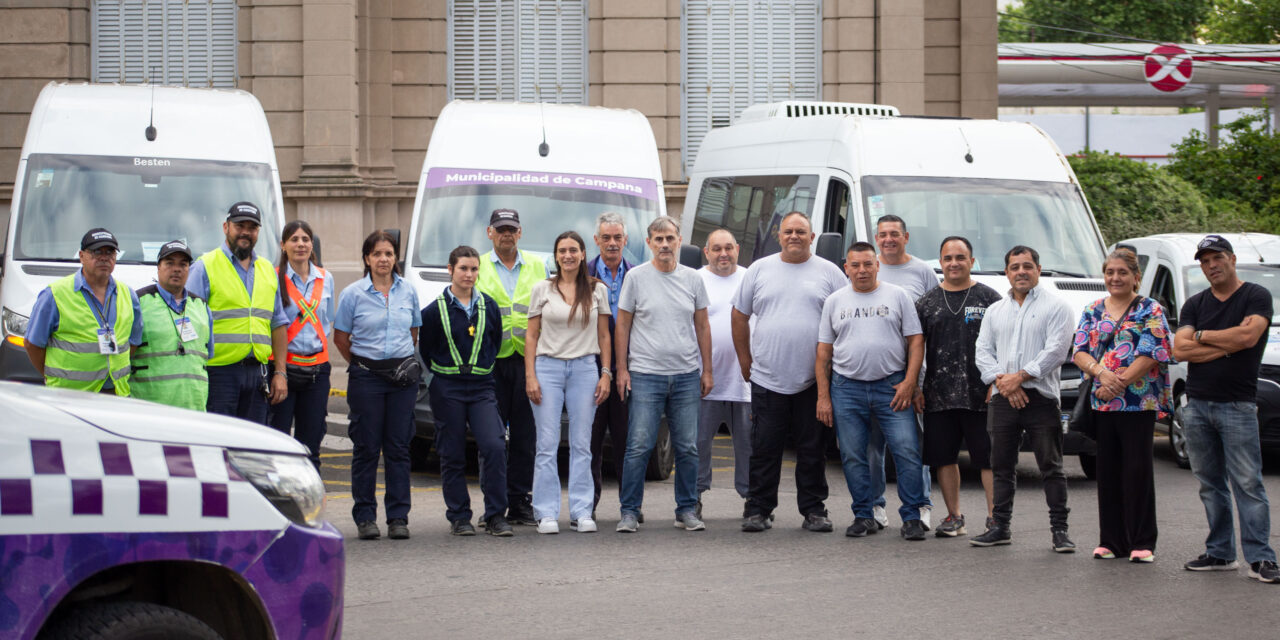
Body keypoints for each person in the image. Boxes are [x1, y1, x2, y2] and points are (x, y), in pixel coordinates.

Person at [1171, 234, 1280, 582]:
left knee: (1248, 483)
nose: (1211, 265)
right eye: (1204, 261)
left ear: (1231, 259)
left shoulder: (1256, 296)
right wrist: (1227, 342)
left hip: (1238, 405)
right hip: (1197, 404)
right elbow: (1179, 350)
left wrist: (1202, 336)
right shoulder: (1195, 303)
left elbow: (1249, 338)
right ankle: (1220, 553)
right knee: (1210, 484)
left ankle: (1261, 559)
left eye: (1217, 258)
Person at [733, 212, 848, 533]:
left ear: (812, 237)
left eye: (801, 232)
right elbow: (739, 315)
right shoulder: (759, 269)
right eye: (788, 231)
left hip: (814, 381)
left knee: (812, 450)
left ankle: (814, 510)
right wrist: (745, 360)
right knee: (765, 448)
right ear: (779, 236)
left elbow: (845, 318)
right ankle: (758, 508)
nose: (794, 236)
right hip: (767, 378)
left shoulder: (830, 273)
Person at [817, 242, 928, 540]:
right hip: (847, 389)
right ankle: (863, 515)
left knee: (906, 450)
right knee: (854, 455)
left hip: (891, 387)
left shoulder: (898, 296)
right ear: (846, 269)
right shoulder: (835, 301)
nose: (862, 270)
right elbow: (824, 354)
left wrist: (910, 382)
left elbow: (916, 341)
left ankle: (912, 517)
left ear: (877, 265)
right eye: (855, 265)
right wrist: (823, 396)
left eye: (868, 264)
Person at [972, 245, 1076, 552]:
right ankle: (1000, 527)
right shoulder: (995, 311)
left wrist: (1020, 376)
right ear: (1006, 272)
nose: (1021, 271)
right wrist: (1004, 382)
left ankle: (1060, 531)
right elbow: (982, 352)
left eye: (1027, 266)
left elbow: (1056, 352)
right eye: (1015, 267)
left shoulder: (1057, 307)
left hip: (1041, 399)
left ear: (1038, 270)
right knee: (1001, 465)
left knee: (1051, 466)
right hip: (1003, 398)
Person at [1072, 247, 1173, 563]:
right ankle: (1111, 540)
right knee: (1108, 470)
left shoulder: (1150, 309)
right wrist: (1102, 374)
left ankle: (1142, 541)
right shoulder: (1092, 310)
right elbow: (1080, 351)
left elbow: (1152, 351)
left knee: (1137, 470)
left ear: (1136, 277)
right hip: (1102, 404)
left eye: (1122, 273)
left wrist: (1119, 382)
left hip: (1137, 402)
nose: (1115, 278)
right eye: (1110, 272)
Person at [614, 216, 712, 533]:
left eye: (670, 238)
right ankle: (630, 511)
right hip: (645, 375)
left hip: (685, 375)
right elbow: (623, 326)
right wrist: (621, 370)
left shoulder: (694, 279)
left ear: (679, 240)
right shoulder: (636, 278)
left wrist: (707, 369)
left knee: (687, 447)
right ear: (649, 243)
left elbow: (702, 326)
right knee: (639, 446)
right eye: (658, 239)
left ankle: (685, 509)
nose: (665, 245)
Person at [334, 230, 421, 541]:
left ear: (395, 258)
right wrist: (363, 364)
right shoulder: (353, 294)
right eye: (377, 254)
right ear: (367, 259)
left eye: (388, 253)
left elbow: (413, 332)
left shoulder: (408, 292)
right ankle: (365, 517)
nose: (383, 259)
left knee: (398, 448)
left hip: (401, 381)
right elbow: (341, 339)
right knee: (367, 448)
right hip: (366, 378)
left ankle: (398, 517)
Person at [421, 246, 512, 537]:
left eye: (474, 269)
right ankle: (459, 516)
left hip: (482, 386)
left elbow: (494, 343)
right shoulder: (433, 311)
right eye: (463, 269)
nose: (469, 275)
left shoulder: (489, 306)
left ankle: (496, 515)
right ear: (450, 270)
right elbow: (427, 350)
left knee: (495, 445)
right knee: (452, 452)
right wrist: (439, 380)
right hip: (448, 388)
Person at [526, 232, 612, 534]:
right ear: (556, 255)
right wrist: (530, 376)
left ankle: (581, 511)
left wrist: (606, 373)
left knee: (582, 444)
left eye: (573, 250)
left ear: (583, 253)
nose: (568, 255)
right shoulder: (542, 289)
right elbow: (532, 335)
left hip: (585, 369)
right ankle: (546, 512)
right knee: (547, 444)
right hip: (547, 368)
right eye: (562, 250)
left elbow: (604, 335)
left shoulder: (597, 290)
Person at [915, 236, 1000, 538]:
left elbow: (1004, 344)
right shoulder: (926, 302)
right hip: (938, 396)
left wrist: (997, 383)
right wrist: (916, 386)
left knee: (988, 459)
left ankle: (995, 519)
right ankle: (954, 517)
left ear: (971, 262)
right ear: (940, 262)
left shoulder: (990, 299)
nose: (954, 263)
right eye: (948, 258)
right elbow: (914, 348)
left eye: (960, 258)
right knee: (944, 458)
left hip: (982, 396)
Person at [475, 208, 548, 526]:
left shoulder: (538, 265)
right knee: (490, 439)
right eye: (501, 229)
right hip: (489, 364)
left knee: (525, 437)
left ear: (520, 233)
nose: (507, 234)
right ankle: (494, 504)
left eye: (512, 229)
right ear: (490, 233)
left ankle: (520, 501)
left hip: (528, 363)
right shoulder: (477, 265)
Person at [187, 202, 290, 423]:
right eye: (239, 225)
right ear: (226, 227)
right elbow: (189, 322)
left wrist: (280, 373)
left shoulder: (267, 271)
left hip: (258, 374)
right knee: (219, 442)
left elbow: (278, 324)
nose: (245, 232)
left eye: (251, 227)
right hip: (218, 374)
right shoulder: (205, 266)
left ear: (258, 232)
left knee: (251, 447)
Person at [871, 214, 938, 529]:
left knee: (913, 444)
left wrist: (920, 379)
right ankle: (874, 507)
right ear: (876, 237)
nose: (889, 240)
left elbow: (933, 323)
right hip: (870, 373)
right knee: (872, 445)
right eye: (883, 234)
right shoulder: (867, 267)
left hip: (912, 373)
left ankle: (922, 506)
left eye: (895, 234)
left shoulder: (922, 272)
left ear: (906, 237)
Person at [25, 228, 142, 395]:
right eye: (96, 252)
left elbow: (133, 342)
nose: (104, 258)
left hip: (116, 392)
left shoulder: (129, 295)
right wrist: (52, 375)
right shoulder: (54, 294)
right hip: (70, 395)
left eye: (110, 252)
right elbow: (33, 344)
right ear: (81, 256)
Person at [268, 221, 335, 470]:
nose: (300, 244)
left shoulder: (326, 278)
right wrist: (279, 371)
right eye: (294, 239)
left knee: (311, 446)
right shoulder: (273, 278)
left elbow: (327, 319)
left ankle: (311, 505)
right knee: (279, 444)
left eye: (305, 239)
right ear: (283, 245)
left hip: (317, 371)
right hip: (284, 370)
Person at [696, 228, 752, 511]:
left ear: (737, 249)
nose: (723, 254)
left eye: (728, 248)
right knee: (698, 444)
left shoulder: (750, 278)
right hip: (704, 379)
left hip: (745, 381)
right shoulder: (696, 279)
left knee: (748, 447)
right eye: (716, 249)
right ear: (707, 252)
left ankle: (751, 500)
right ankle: (693, 499)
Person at [131, 240, 214, 411]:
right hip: (149, 408)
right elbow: (124, 356)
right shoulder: (138, 302)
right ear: (158, 267)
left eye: (183, 264)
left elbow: (207, 356)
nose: (176, 269)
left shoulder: (202, 306)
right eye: (170, 263)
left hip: (193, 407)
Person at [588, 212, 634, 513]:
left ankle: (629, 505)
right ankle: (588, 504)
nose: (612, 243)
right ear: (597, 240)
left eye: (618, 237)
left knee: (627, 440)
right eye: (606, 237)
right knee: (589, 441)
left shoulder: (638, 274)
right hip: (589, 367)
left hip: (628, 368)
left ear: (625, 240)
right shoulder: (582, 273)